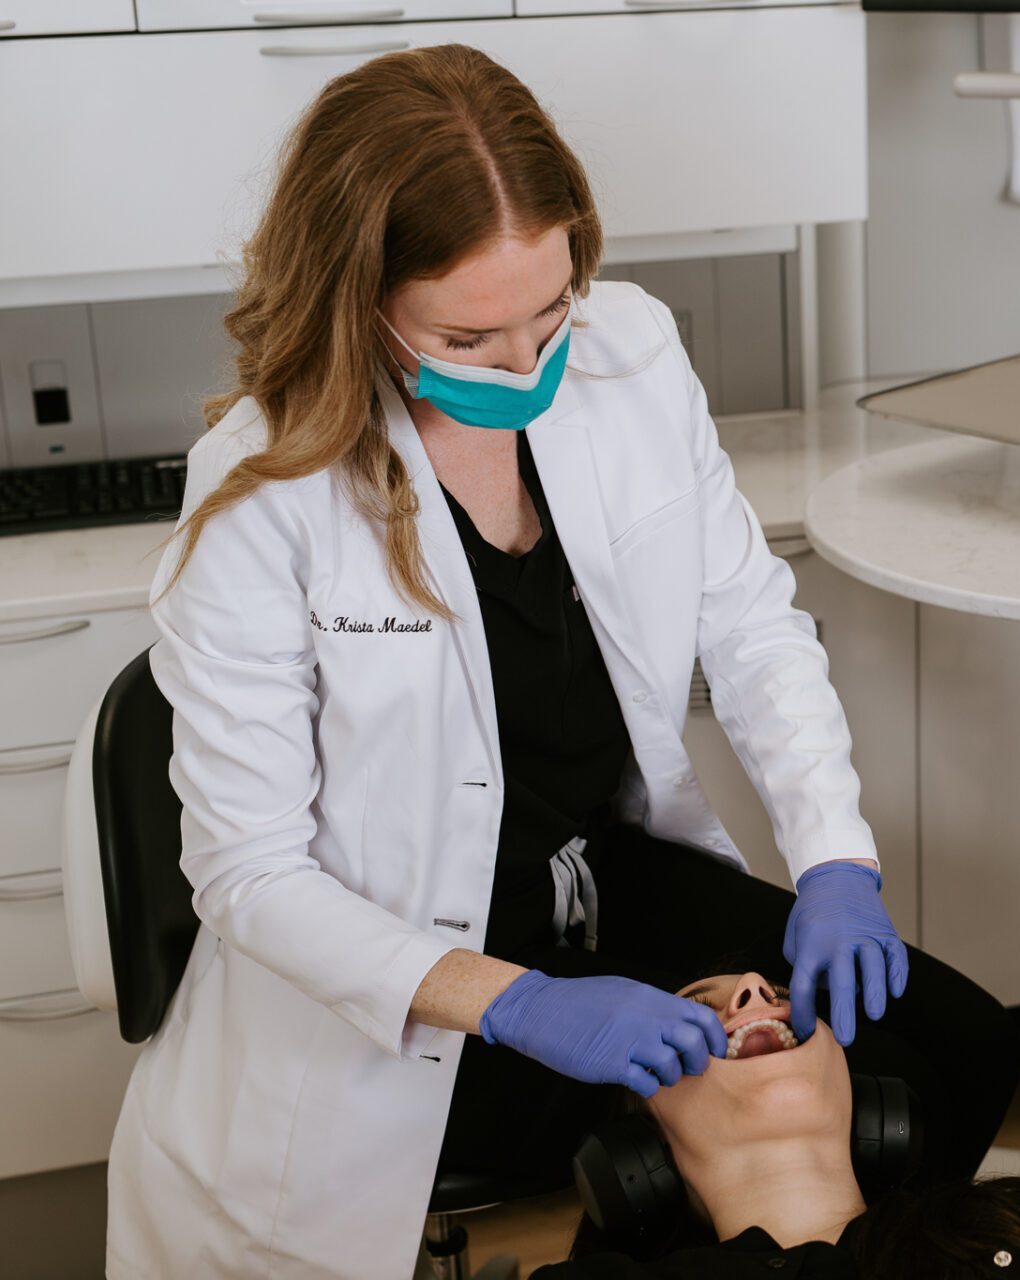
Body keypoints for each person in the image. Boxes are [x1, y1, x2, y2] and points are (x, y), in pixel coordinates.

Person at [101, 41, 1018, 1280]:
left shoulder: (633, 352)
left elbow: (748, 626)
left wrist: (835, 857)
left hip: (602, 881)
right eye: (473, 338)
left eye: (552, 313)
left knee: (956, 1048)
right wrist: (516, 1002)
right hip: (410, 955)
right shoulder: (265, 495)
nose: (529, 366)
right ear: (356, 298)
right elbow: (251, 874)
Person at [529, 971, 1020, 1278]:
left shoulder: (997, 1221)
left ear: (869, 1105)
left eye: (780, 994)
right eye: (692, 1016)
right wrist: (512, 1003)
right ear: (641, 1154)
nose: (753, 988)